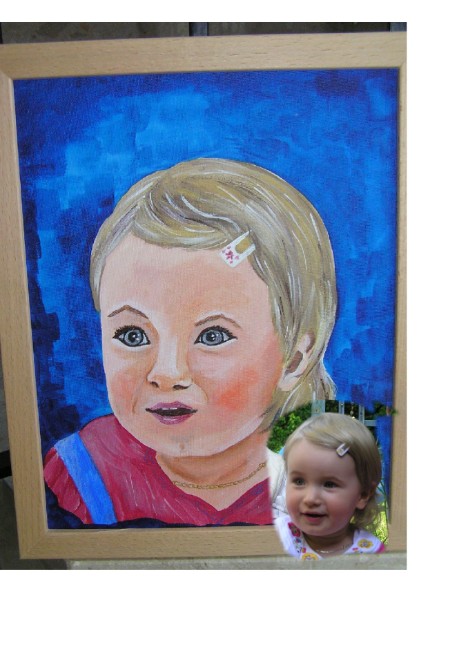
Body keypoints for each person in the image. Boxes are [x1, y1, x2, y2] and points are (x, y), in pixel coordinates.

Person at [43, 157, 337, 528]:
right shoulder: (83, 473)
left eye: (213, 336)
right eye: (133, 336)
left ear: (294, 359)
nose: (167, 374)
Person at [275, 412, 385, 558]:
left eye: (329, 484)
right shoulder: (276, 536)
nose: (310, 498)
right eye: (299, 481)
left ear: (363, 495)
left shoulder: (372, 553)